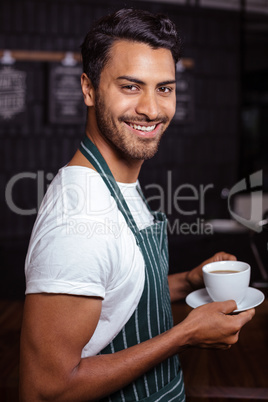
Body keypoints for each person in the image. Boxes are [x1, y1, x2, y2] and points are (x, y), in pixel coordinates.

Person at [19, 8, 255, 402]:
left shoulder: (119, 184)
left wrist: (188, 282)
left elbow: (112, 297)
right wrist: (185, 335)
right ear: (89, 89)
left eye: (164, 88)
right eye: (130, 87)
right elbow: (46, 389)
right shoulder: (78, 219)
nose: (151, 109)